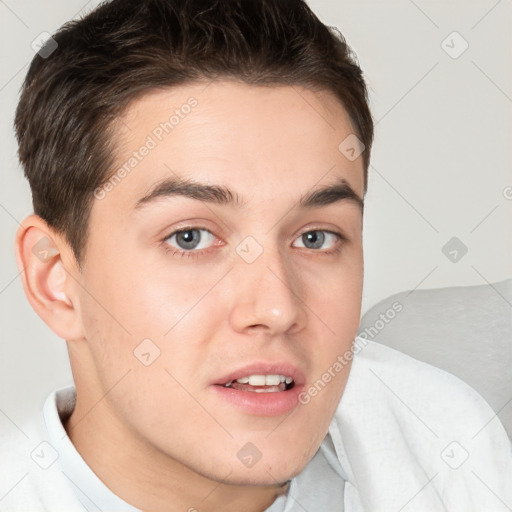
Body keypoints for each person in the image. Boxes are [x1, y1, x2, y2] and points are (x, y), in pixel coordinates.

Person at [2, 0, 511, 510]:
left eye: (315, 237)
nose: (277, 309)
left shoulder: (444, 442)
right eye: (191, 238)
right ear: (56, 280)